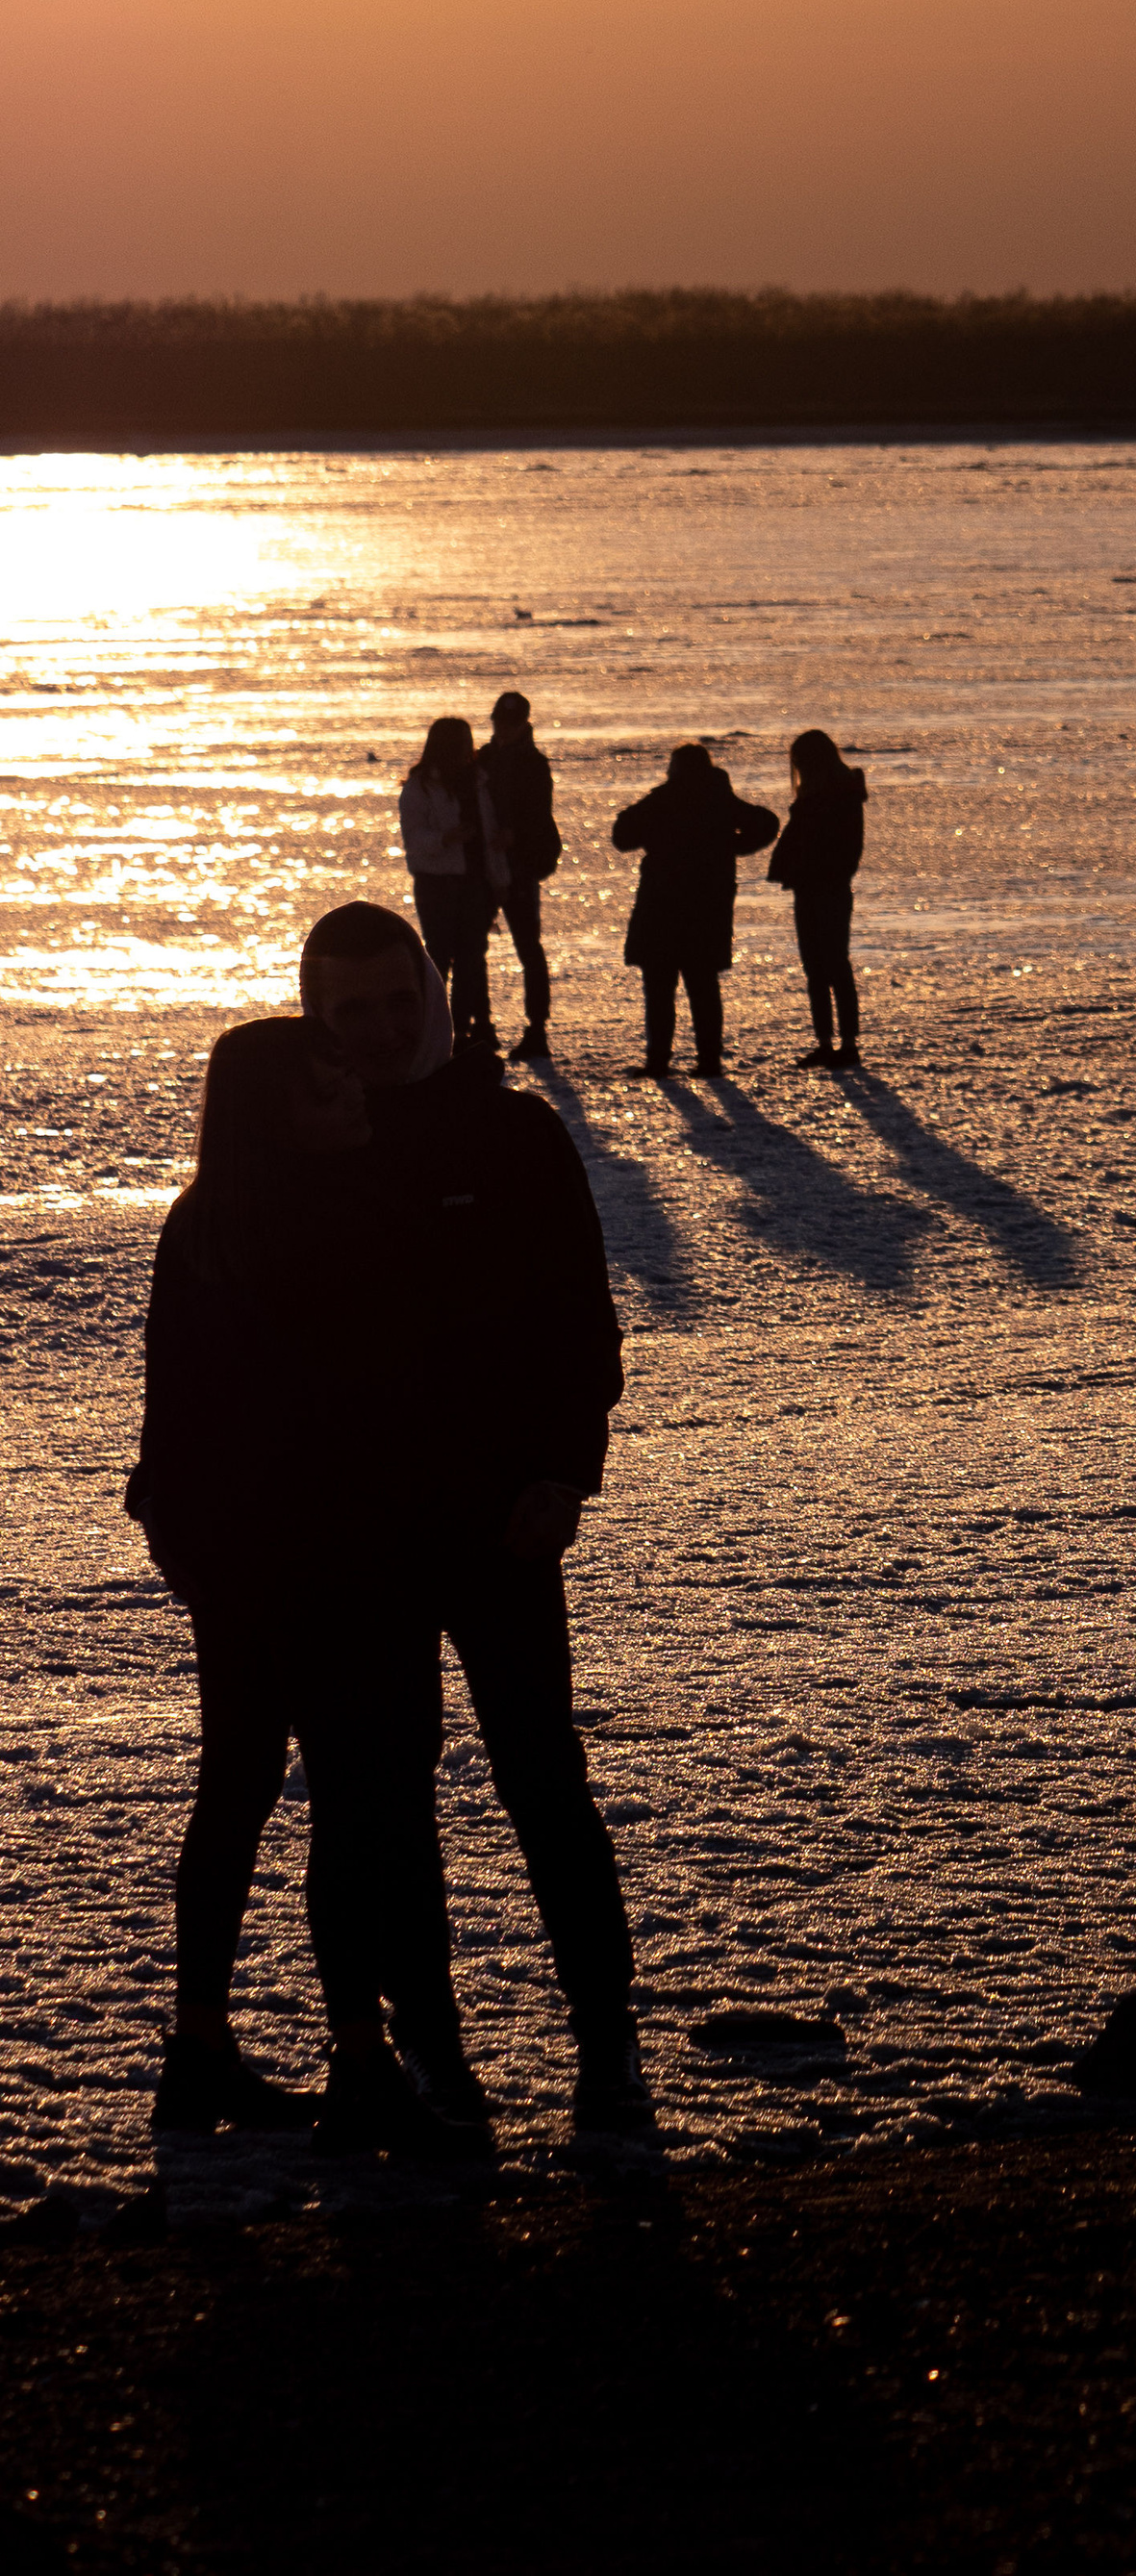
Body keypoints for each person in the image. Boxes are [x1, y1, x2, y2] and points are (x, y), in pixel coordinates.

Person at [298, 898, 647, 2136]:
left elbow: (581, 1322)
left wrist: (564, 1476)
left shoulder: (512, 1134)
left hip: (504, 1526)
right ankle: (436, 2053)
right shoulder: (305, 1153)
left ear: (432, 997)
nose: (384, 1028)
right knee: (388, 1805)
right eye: (354, 1009)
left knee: (544, 1785)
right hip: (362, 1544)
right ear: (318, 1018)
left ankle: (607, 2046)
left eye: (400, 1001)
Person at [127, 1011, 480, 2158]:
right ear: (278, 1115)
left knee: (235, 1783)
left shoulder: (204, 1222)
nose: (357, 1101)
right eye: (330, 1095)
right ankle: (360, 2057)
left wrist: (174, 1526)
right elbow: (385, 1399)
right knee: (352, 1799)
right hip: (334, 1555)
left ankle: (199, 2046)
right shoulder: (347, 1218)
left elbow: (170, 1407)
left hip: (233, 1557)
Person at [611, 745, 779, 1077]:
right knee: (702, 986)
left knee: (660, 989)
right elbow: (766, 823)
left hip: (662, 908)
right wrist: (732, 846)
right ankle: (708, 1060)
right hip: (706, 908)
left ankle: (659, 1060)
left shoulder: (663, 799)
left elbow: (622, 835)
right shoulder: (719, 800)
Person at [399, 717, 510, 1056]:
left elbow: (489, 829)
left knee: (471, 957)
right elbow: (414, 840)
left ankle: (466, 1028)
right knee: (440, 958)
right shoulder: (420, 787)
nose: (468, 748)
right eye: (462, 742)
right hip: (438, 883)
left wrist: (498, 872)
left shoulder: (478, 781)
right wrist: (448, 838)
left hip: (475, 881)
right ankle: (435, 1028)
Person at [766, 727, 868, 1069]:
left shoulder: (837, 796)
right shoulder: (823, 794)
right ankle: (828, 1042)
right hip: (812, 887)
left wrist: (810, 870)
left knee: (833, 965)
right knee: (818, 968)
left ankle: (847, 1044)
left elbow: (844, 849)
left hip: (828, 888)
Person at [476, 690, 563, 1062]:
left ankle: (537, 1028)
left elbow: (539, 815)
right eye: (499, 721)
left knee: (528, 947)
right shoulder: (482, 759)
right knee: (473, 950)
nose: (503, 728)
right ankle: (481, 1026)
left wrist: (516, 835)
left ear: (523, 723)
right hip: (483, 866)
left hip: (520, 866)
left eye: (510, 723)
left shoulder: (534, 764)